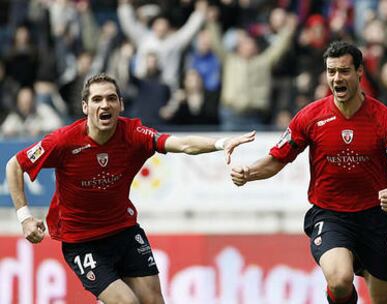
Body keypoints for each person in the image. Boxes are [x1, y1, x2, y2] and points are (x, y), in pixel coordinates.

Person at [6, 73, 255, 304]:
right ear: (85, 107)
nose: (105, 105)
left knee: (155, 302)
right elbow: (15, 164)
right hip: (82, 242)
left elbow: (181, 144)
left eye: (111, 98)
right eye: (97, 99)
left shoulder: (134, 133)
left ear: (121, 105)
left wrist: (222, 143)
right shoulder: (63, 141)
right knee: (128, 303)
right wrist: (25, 218)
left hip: (123, 231)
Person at [231, 41, 387, 304]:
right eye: (331, 72)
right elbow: (276, 159)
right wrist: (249, 172)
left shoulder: (384, 119)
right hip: (331, 216)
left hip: (375, 218)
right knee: (339, 280)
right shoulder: (310, 117)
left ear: (360, 72)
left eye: (344, 71)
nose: (337, 78)